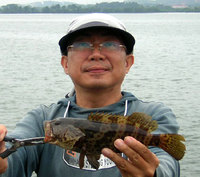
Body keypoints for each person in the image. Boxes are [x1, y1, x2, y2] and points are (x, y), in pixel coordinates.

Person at [0, 13, 180, 177]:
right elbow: (12, 161)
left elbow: (168, 164)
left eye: (110, 44)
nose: (96, 54)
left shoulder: (155, 114)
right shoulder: (42, 119)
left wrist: (154, 174)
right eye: (82, 45)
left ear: (128, 62)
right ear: (65, 64)